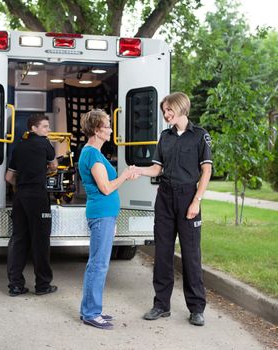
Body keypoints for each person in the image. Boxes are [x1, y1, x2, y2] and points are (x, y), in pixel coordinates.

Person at [133, 92, 212, 326]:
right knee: (163, 253)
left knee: (191, 255)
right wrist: (137, 170)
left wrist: (196, 201)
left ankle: (196, 308)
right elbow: (156, 170)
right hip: (165, 197)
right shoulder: (165, 137)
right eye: (164, 111)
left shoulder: (200, 136)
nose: (166, 114)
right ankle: (161, 305)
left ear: (181, 108)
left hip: (188, 196)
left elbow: (206, 171)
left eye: (169, 110)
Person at [78, 109, 136, 330]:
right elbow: (105, 187)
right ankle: (91, 313)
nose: (111, 129)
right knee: (98, 265)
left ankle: (92, 310)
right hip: (101, 214)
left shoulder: (95, 153)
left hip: (105, 215)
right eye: (107, 125)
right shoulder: (92, 154)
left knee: (98, 263)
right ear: (96, 129)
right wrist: (124, 175)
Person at [5, 113, 58, 297]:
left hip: (20, 197)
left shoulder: (18, 147)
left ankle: (15, 285)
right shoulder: (45, 144)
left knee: (18, 239)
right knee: (41, 240)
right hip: (37, 197)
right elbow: (54, 167)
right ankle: (42, 285)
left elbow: (8, 177)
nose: (48, 130)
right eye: (44, 126)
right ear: (33, 128)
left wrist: (21, 187)